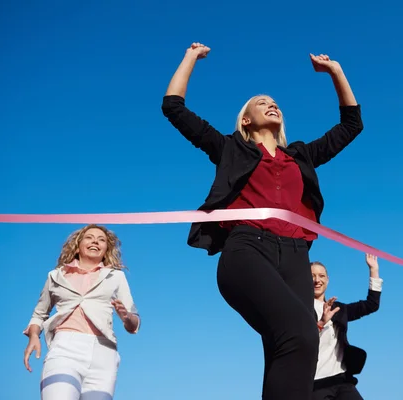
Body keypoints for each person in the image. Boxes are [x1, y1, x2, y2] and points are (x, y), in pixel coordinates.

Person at [161, 42, 364, 400]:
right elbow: (174, 108)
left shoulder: (300, 155)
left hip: (296, 257)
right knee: (301, 333)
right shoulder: (230, 149)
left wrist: (336, 72)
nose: (272, 104)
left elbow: (352, 125)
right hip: (247, 250)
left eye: (275, 102)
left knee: (292, 348)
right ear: (245, 120)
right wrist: (190, 58)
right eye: (261, 102)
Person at [22, 224, 141, 400]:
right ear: (78, 246)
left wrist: (126, 317)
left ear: (106, 249)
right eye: (90, 237)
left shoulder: (115, 276)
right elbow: (39, 314)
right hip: (65, 349)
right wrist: (33, 336)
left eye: (101, 240)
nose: (95, 241)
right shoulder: (56, 276)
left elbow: (134, 323)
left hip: (104, 353)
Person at [311, 254, 382, 400]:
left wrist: (373, 270)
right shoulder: (299, 309)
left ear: (327, 280)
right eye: (312, 276)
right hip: (315, 384)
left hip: (342, 380)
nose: (317, 280)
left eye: (321, 276)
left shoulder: (338, 309)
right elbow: (300, 340)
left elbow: (371, 305)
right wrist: (321, 323)